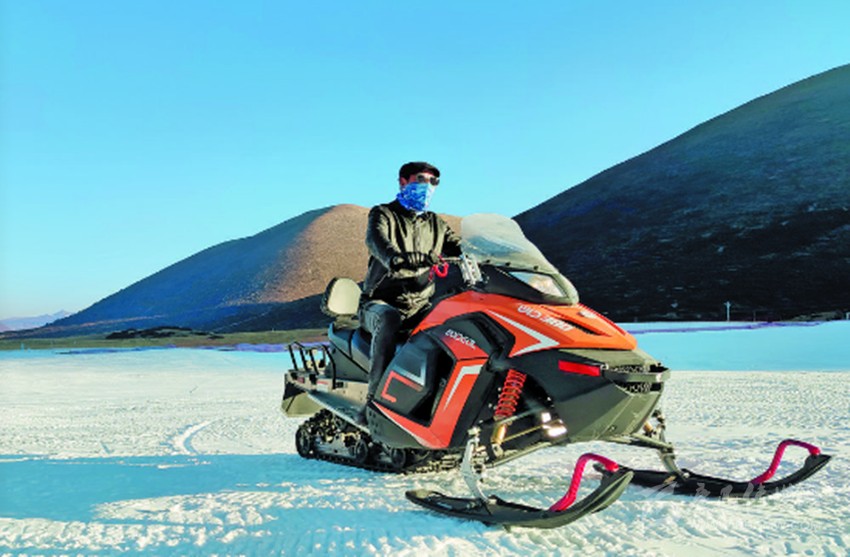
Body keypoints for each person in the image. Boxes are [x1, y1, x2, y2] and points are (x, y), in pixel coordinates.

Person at [358, 161, 463, 418]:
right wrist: (395, 258)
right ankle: (374, 403)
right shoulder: (383, 214)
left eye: (433, 182)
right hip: (379, 303)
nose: (428, 186)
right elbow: (376, 240)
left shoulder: (436, 223)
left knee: (457, 322)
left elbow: (458, 245)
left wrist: (484, 253)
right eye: (421, 180)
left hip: (420, 305)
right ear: (403, 182)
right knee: (389, 319)